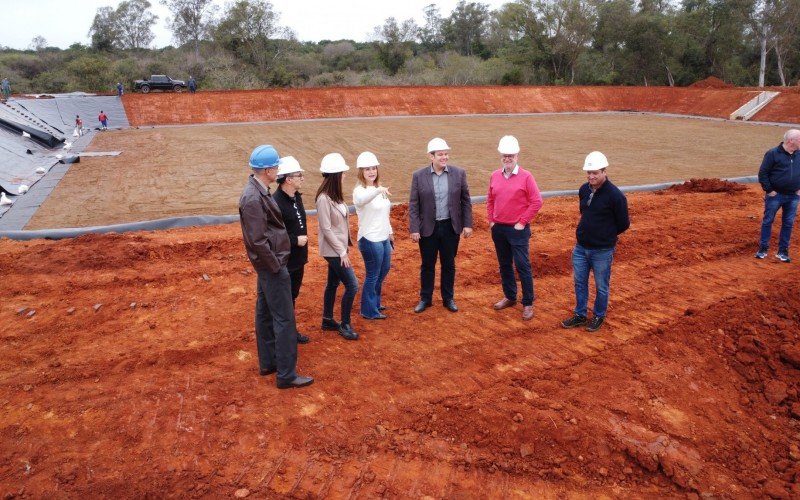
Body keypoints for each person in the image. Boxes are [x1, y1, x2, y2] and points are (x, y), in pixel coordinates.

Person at [238, 144, 313, 390]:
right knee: (284, 319)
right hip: (272, 267)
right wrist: (276, 267)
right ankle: (286, 374)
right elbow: (257, 241)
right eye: (277, 166)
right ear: (269, 170)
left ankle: (269, 363)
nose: (279, 169)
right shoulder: (252, 198)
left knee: (265, 314)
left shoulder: (259, 191)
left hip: (268, 266)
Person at [561, 151, 630, 333]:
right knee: (580, 283)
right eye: (589, 172)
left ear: (604, 172)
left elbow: (623, 223)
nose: (591, 176)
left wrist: (605, 235)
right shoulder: (584, 189)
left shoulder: (615, 196)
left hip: (602, 251)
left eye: (595, 173)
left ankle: (599, 315)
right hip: (581, 248)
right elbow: (584, 212)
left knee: (601, 286)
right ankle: (580, 315)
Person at [409, 137, 473, 313]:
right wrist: (414, 228)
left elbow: (465, 201)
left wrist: (467, 224)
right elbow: (414, 204)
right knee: (427, 265)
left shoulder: (459, 173)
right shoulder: (418, 176)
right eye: (440, 154)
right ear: (431, 157)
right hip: (428, 228)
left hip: (450, 228)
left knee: (449, 264)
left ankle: (448, 298)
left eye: (446, 154)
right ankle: (426, 299)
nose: (444, 157)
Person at [487, 136, 543, 321]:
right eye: (505, 155)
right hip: (499, 229)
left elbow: (536, 202)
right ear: (501, 156)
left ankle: (527, 302)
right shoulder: (495, 175)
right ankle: (510, 296)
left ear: (517, 156)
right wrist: (491, 221)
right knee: (504, 265)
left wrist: (522, 222)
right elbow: (490, 200)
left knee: (522, 265)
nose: (507, 158)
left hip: (518, 230)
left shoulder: (526, 177)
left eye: (511, 155)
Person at [316, 153, 360, 340]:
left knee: (333, 283)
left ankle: (327, 320)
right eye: (342, 172)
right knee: (352, 285)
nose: (345, 175)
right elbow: (326, 228)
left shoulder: (335, 195)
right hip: (334, 251)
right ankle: (345, 324)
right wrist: (342, 251)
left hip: (339, 248)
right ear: (335, 175)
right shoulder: (323, 199)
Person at [273, 156, 311, 344]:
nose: (302, 178)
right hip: (285, 261)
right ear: (288, 179)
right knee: (284, 300)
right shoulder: (276, 202)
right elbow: (272, 236)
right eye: (299, 175)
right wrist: (295, 240)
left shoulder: (296, 197)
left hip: (298, 259)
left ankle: (289, 332)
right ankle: (285, 335)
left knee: (292, 296)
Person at [353, 151, 393, 320]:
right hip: (369, 239)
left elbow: (385, 214)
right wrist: (378, 191)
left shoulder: (379, 189)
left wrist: (390, 232)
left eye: (373, 168)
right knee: (373, 274)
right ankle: (368, 310)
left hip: (383, 238)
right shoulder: (359, 191)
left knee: (383, 270)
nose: (371, 172)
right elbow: (363, 200)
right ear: (361, 172)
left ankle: (374, 303)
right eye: (367, 169)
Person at [755, 129, 800, 263]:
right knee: (768, 221)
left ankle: (783, 251)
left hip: (793, 196)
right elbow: (763, 173)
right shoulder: (773, 153)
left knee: (788, 223)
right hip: (776, 195)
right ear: (791, 140)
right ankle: (763, 249)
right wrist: (769, 190)